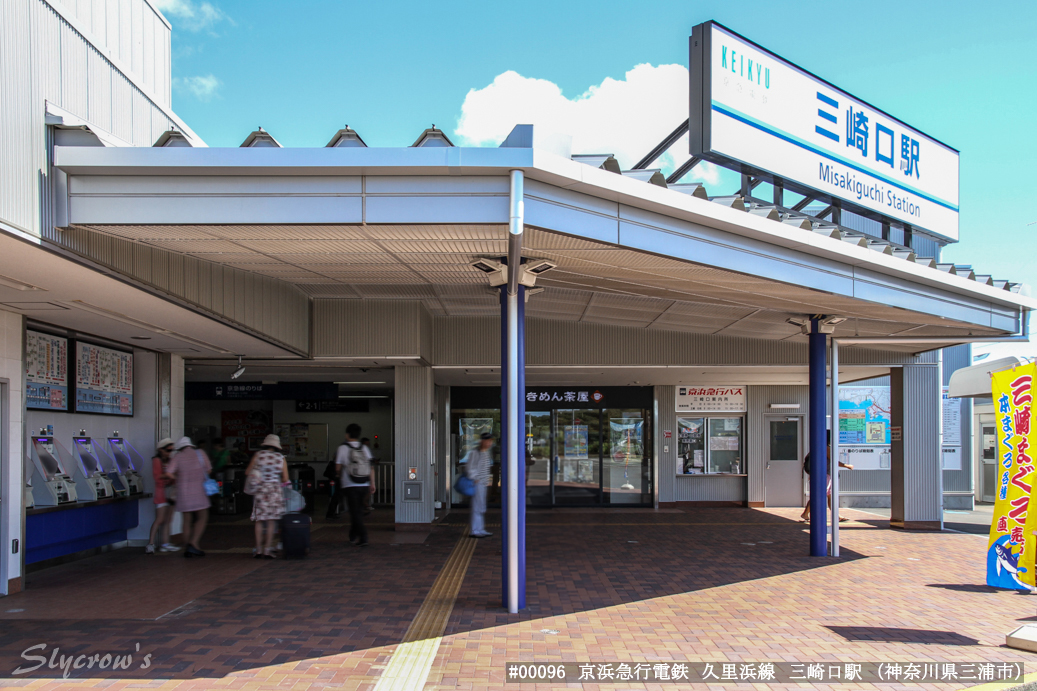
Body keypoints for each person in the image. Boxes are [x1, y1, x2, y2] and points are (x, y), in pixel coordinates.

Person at [167, 437, 212, 557]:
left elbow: (168, 472)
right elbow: (209, 469)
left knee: (186, 520)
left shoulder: (178, 456)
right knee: (202, 516)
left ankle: (188, 547)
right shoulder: (200, 453)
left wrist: (178, 479)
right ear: (190, 445)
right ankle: (194, 543)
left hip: (183, 492)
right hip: (199, 490)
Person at [246, 434, 289, 559]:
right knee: (271, 521)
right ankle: (267, 549)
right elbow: (285, 478)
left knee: (259, 520)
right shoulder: (281, 458)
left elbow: (248, 472)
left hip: (260, 489)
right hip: (275, 491)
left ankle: (258, 549)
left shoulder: (258, 455)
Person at [336, 423, 375, 546]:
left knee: (355, 512)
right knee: (356, 510)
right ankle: (352, 536)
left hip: (350, 485)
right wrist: (372, 483)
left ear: (347, 435)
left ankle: (363, 537)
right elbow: (371, 467)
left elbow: (337, 468)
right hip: (364, 483)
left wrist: (339, 476)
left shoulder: (342, 448)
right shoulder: (364, 448)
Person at [800, 442, 853, 522]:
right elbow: (833, 461)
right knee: (819, 496)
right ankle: (812, 515)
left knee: (828, 496)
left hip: (821, 475)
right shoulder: (825, 448)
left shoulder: (818, 447)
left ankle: (836, 516)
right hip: (823, 476)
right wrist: (847, 466)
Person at [146, 438, 178, 554]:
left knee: (168, 520)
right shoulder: (156, 461)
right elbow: (157, 477)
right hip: (161, 493)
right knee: (160, 519)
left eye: (171, 450)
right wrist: (170, 477)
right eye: (167, 450)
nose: (169, 453)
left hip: (170, 492)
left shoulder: (170, 460)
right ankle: (150, 543)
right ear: (160, 450)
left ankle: (165, 543)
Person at [465, 433, 494, 538]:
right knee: (477, 507)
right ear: (482, 441)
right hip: (477, 483)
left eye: (490, 441)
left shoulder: (485, 452)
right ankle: (475, 530)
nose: (489, 443)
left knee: (481, 506)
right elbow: (470, 467)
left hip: (483, 483)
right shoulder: (475, 452)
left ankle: (480, 529)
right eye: (488, 441)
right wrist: (475, 478)